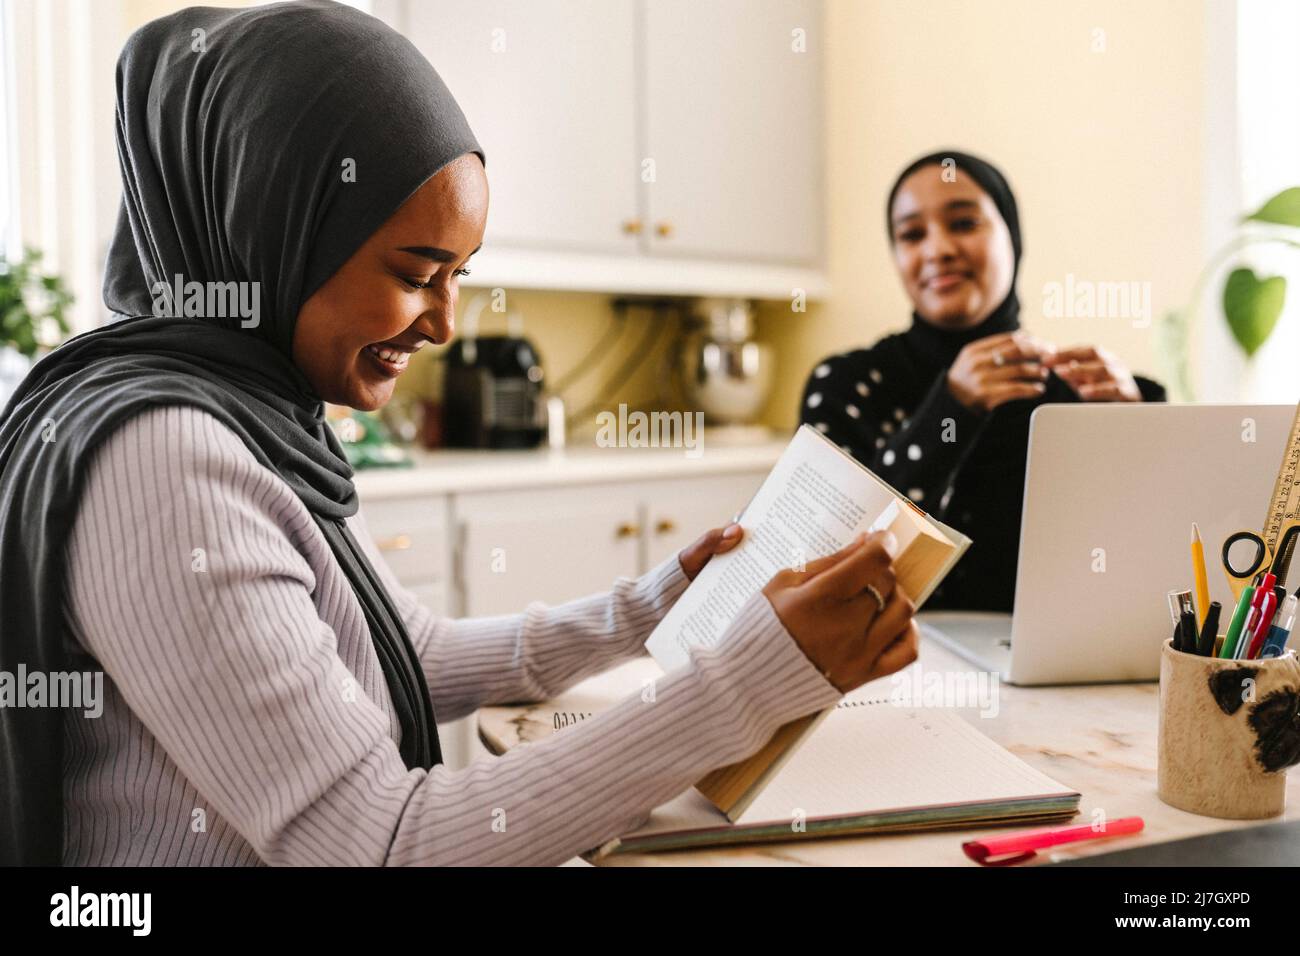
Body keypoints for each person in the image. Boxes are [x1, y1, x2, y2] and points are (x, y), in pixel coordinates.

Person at [0, 0, 918, 866]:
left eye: (460, 274)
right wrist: (750, 682)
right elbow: (383, 845)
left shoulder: (249, 412)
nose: (442, 324)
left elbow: (406, 650)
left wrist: (648, 609)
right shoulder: (166, 459)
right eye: (416, 271)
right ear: (271, 226)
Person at [799, 150, 1165, 612]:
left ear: (1012, 237)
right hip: (885, 669)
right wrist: (948, 411)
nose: (938, 250)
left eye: (964, 223)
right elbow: (827, 559)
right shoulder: (847, 385)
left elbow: (1156, 565)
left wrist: (1144, 427)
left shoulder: (1085, 394)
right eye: (912, 234)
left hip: (1064, 677)